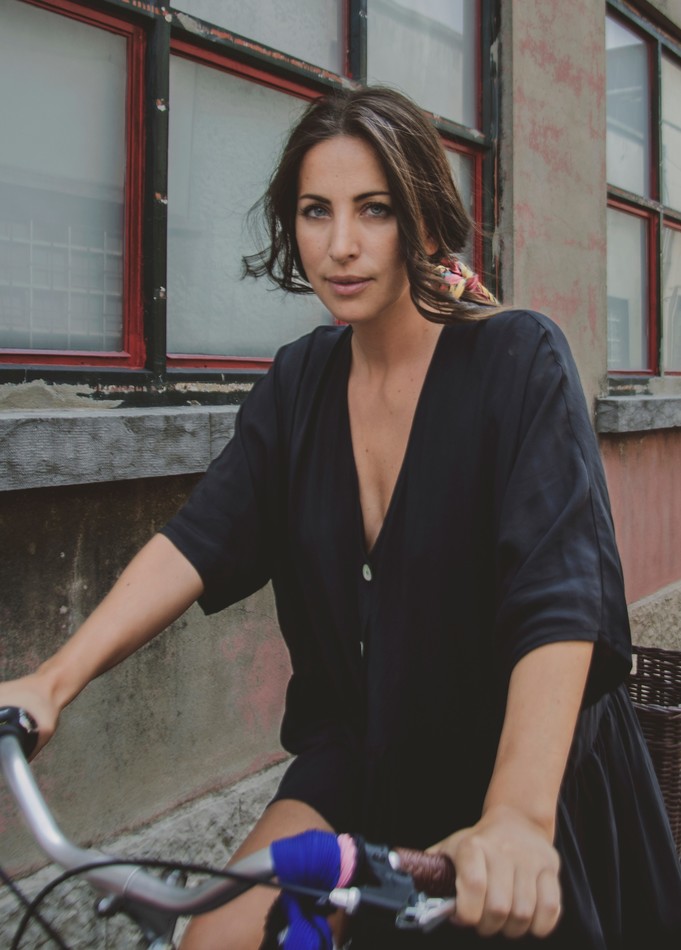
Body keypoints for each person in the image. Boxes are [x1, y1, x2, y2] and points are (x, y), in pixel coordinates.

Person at [1, 86, 680, 949]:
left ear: (423, 224)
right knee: (213, 938)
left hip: (518, 769)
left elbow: (560, 596)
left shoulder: (516, 360)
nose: (341, 244)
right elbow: (197, 539)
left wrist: (515, 813)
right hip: (362, 756)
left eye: (374, 209)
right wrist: (53, 681)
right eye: (315, 211)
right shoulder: (299, 383)